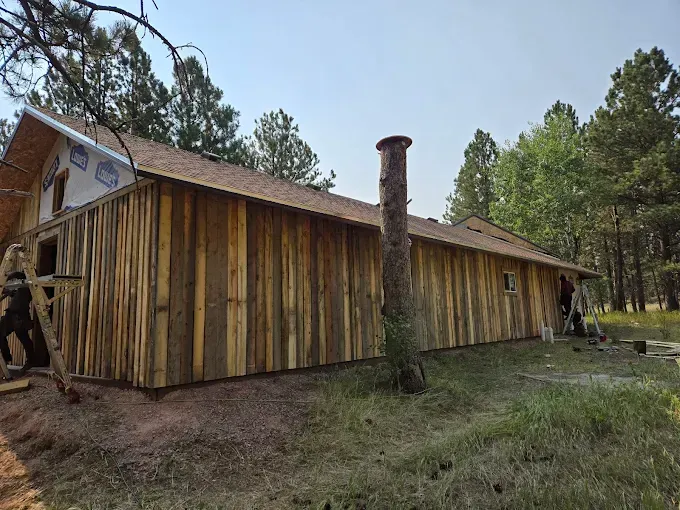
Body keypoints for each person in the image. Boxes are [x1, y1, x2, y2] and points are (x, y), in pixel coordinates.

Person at [0, 271, 35, 372]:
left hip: (21, 316)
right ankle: (6, 358)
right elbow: (10, 293)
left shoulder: (30, 285)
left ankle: (31, 361)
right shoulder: (20, 286)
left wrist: (5, 279)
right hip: (10, 314)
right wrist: (7, 290)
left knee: (24, 339)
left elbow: (16, 274)